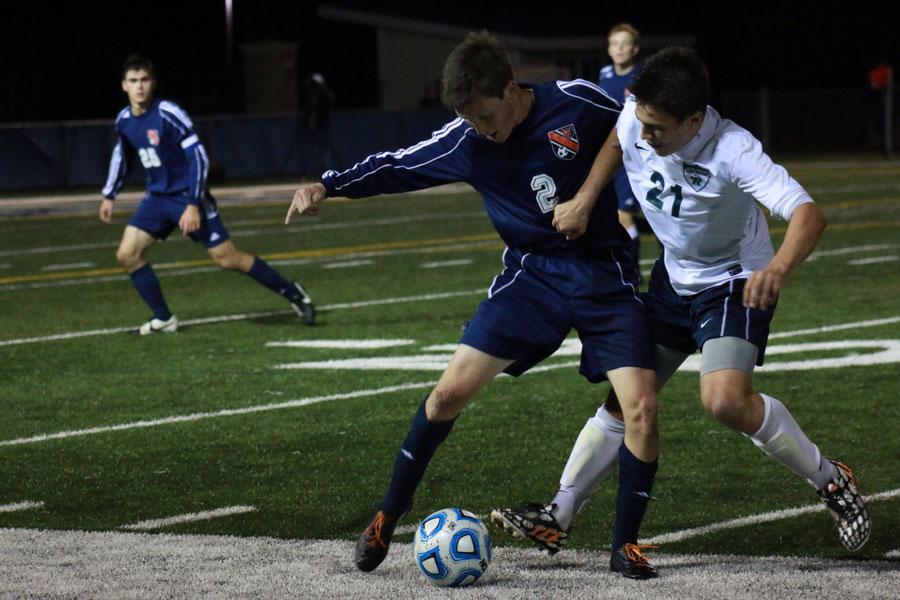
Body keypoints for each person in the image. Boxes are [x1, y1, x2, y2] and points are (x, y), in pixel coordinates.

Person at [285, 31, 662, 579]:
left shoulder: (576, 99)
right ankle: (388, 516)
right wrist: (328, 184)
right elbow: (399, 164)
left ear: (512, 88)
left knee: (642, 409)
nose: (482, 129)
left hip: (605, 274)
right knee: (447, 395)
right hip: (531, 277)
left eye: (486, 115)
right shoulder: (468, 139)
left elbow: (634, 123)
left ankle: (625, 544)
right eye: (470, 120)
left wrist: (586, 199)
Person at [492, 46, 870, 561]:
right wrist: (584, 197)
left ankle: (832, 481)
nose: (644, 134)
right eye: (641, 121)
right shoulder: (640, 115)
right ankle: (558, 513)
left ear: (694, 121)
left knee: (724, 401)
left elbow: (807, 213)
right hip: (672, 278)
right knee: (630, 395)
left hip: (734, 280)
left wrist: (777, 270)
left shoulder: (735, 149)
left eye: (657, 129)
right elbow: (620, 140)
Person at [101, 55, 316, 333]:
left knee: (227, 259)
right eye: (133, 81)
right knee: (127, 254)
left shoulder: (168, 113)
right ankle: (164, 318)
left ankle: (293, 293)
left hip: (189, 197)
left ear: (153, 83)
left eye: (144, 80)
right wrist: (109, 194)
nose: (139, 86)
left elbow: (199, 158)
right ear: (124, 86)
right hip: (156, 199)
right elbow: (123, 156)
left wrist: (192, 204)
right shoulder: (124, 121)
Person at [598, 23, 644, 272]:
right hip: (609, 154)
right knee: (616, 214)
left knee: (623, 213)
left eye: (625, 43)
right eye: (615, 43)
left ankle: (632, 271)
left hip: (632, 154)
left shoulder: (643, 77)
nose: (619, 48)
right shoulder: (604, 74)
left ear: (635, 49)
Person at [300, 72, 336, 178]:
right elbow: (306, 104)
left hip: (322, 126)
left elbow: (329, 102)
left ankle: (327, 174)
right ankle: (310, 173)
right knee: (310, 152)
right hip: (311, 127)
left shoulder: (325, 94)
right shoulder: (310, 94)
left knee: (323, 152)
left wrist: (321, 91)